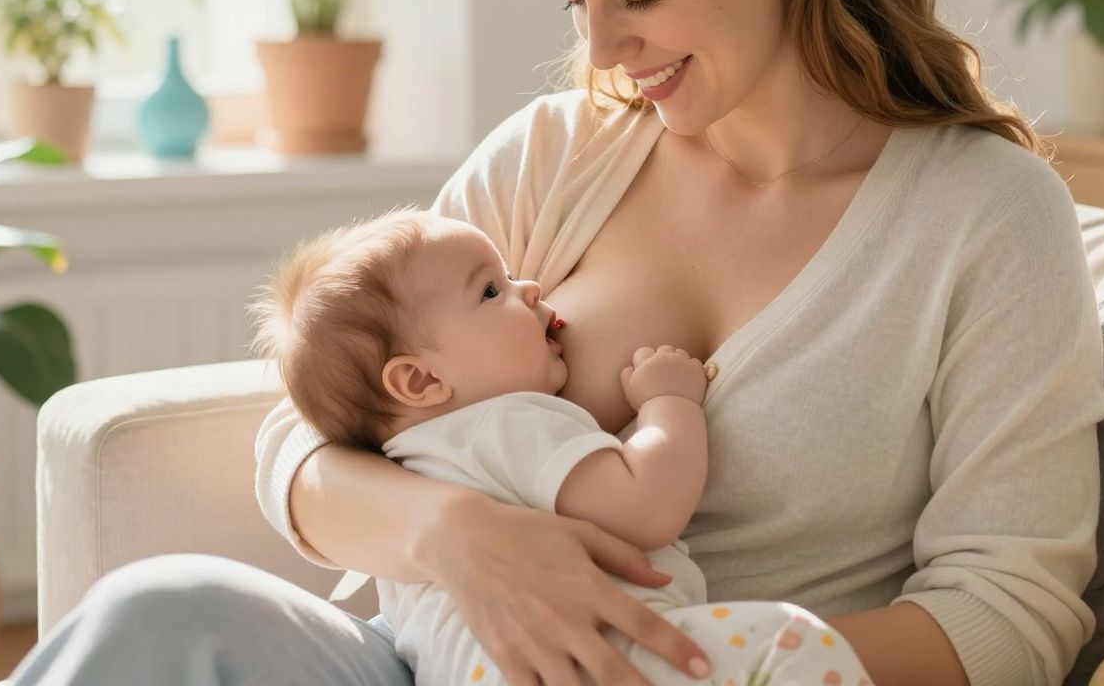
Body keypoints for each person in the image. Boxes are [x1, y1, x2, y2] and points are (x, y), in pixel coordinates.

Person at [9, 0, 1104, 686]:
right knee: (158, 616)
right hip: (437, 661)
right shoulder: (559, 153)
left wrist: (713, 660)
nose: (604, 49)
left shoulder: (984, 216)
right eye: (575, 1)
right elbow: (302, 440)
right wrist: (460, 536)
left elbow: (1011, 617)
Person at [247, 208, 876, 686]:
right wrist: (669, 405)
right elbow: (648, 505)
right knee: (792, 646)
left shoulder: (400, 469)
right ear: (420, 380)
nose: (529, 286)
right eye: (491, 291)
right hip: (601, 661)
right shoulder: (509, 423)